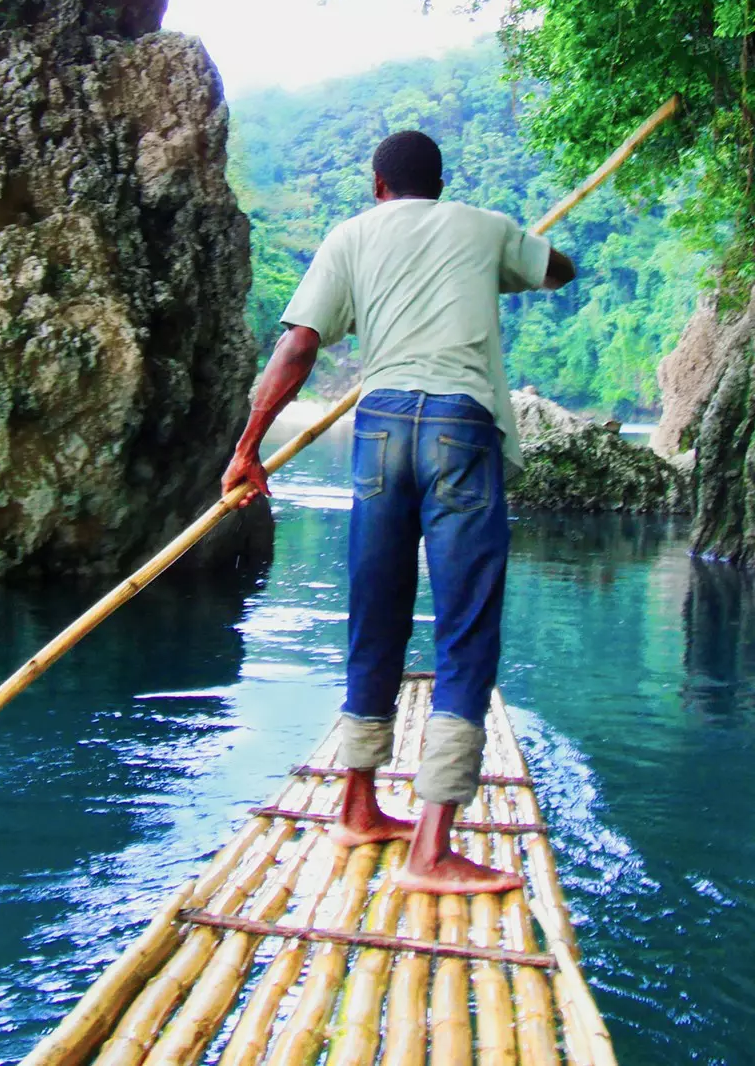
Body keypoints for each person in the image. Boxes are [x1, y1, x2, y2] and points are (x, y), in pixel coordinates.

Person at [220, 129, 575, 895]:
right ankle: (433, 848)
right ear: (437, 185)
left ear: (379, 185)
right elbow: (559, 270)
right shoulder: (484, 227)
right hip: (459, 426)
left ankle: (358, 806)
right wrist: (507, 261)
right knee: (465, 625)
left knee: (372, 614)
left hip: (378, 429)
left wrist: (248, 446)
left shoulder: (349, 236)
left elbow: (297, 347)